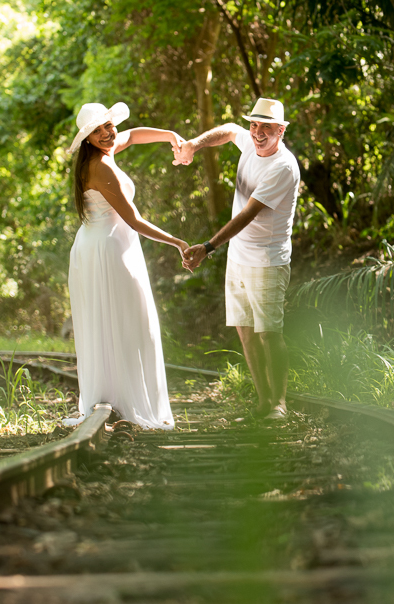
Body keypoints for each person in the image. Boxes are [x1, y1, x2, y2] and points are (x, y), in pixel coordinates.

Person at [175, 98, 300, 419]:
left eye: (267, 128)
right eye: (254, 125)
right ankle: (263, 403)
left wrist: (207, 247)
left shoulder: (283, 167)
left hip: (268, 259)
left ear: (281, 131)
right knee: (245, 330)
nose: (257, 133)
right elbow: (230, 130)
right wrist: (193, 144)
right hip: (239, 257)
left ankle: (279, 404)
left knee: (269, 332)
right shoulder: (249, 141)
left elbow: (249, 215)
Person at [64, 101, 187, 430]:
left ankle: (120, 399)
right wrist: (178, 243)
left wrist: (169, 135)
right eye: (97, 131)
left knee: (125, 320)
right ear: (87, 138)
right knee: (128, 320)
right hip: (106, 249)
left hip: (106, 245)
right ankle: (121, 403)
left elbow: (131, 136)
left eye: (108, 126)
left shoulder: (104, 151)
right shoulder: (99, 167)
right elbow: (133, 220)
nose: (107, 134)